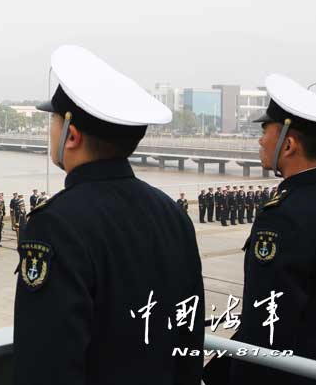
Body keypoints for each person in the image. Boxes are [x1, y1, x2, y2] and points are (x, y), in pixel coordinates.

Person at [16, 45, 204, 384]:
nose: (51, 131)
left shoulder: (56, 223)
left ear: (71, 135)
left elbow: (47, 362)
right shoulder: (172, 214)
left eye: (53, 121)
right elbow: (188, 340)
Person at [204, 74, 316, 385]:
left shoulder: (284, 217)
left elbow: (267, 328)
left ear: (288, 144)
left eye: (264, 131)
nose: (259, 140)